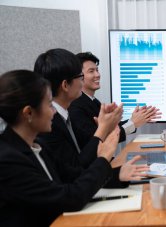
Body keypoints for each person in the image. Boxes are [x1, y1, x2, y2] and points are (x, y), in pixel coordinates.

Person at [0, 70, 149, 226]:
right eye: (49, 105)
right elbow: (69, 198)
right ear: (28, 112)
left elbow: (74, 176)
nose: (53, 112)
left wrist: (118, 175)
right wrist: (104, 158)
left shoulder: (38, 146)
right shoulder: (8, 160)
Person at [33, 48, 130, 182]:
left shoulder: (63, 114)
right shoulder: (49, 124)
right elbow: (73, 172)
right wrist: (103, 130)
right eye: (80, 76)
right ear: (65, 85)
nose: (83, 81)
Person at [69, 52, 161, 149]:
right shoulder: (76, 106)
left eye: (97, 70)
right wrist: (133, 123)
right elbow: (95, 140)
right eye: (91, 71)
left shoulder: (92, 100)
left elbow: (110, 128)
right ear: (79, 76)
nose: (97, 75)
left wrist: (134, 120)